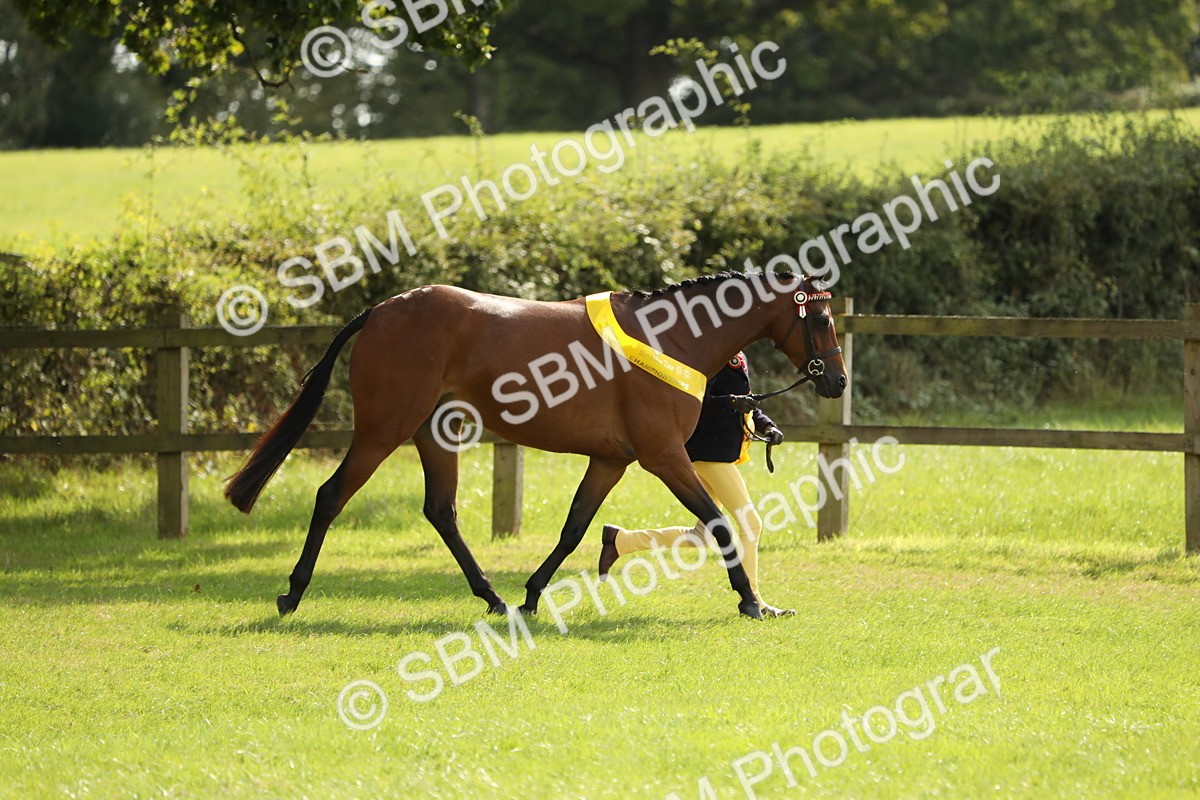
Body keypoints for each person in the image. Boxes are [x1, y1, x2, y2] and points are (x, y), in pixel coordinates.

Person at [597, 351, 795, 618]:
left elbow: (748, 402)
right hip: (709, 454)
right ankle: (755, 601)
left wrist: (768, 427)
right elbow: (697, 401)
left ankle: (622, 541)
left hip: (721, 453)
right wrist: (732, 402)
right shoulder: (710, 355)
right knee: (751, 524)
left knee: (702, 536)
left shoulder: (736, 355)